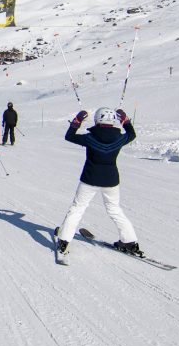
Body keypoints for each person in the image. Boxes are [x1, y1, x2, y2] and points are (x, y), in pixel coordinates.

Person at [55, 107, 139, 262]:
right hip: (111, 180)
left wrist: (77, 121)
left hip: (90, 179)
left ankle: (64, 242)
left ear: (97, 120)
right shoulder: (119, 138)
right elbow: (132, 134)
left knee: (77, 208)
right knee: (114, 210)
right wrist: (126, 121)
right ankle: (130, 241)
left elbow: (69, 136)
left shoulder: (90, 137)